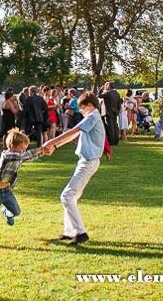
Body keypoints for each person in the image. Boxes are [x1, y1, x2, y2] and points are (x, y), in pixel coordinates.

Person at [44, 92, 106, 246]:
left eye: (82, 108)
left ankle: (80, 232)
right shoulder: (91, 117)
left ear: (90, 106)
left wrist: (50, 142)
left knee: (66, 196)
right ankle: (70, 232)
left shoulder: (92, 116)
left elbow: (73, 131)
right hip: (86, 161)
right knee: (71, 197)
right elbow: (74, 135)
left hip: (89, 162)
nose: (80, 111)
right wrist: (55, 145)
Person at [0, 128, 51, 249]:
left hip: (6, 191)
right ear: (12, 145)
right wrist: (40, 149)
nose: (24, 150)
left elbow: (27, 157)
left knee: (17, 212)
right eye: (22, 148)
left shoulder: (19, 155)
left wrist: (43, 152)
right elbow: (22, 157)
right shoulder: (7, 155)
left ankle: (7, 213)